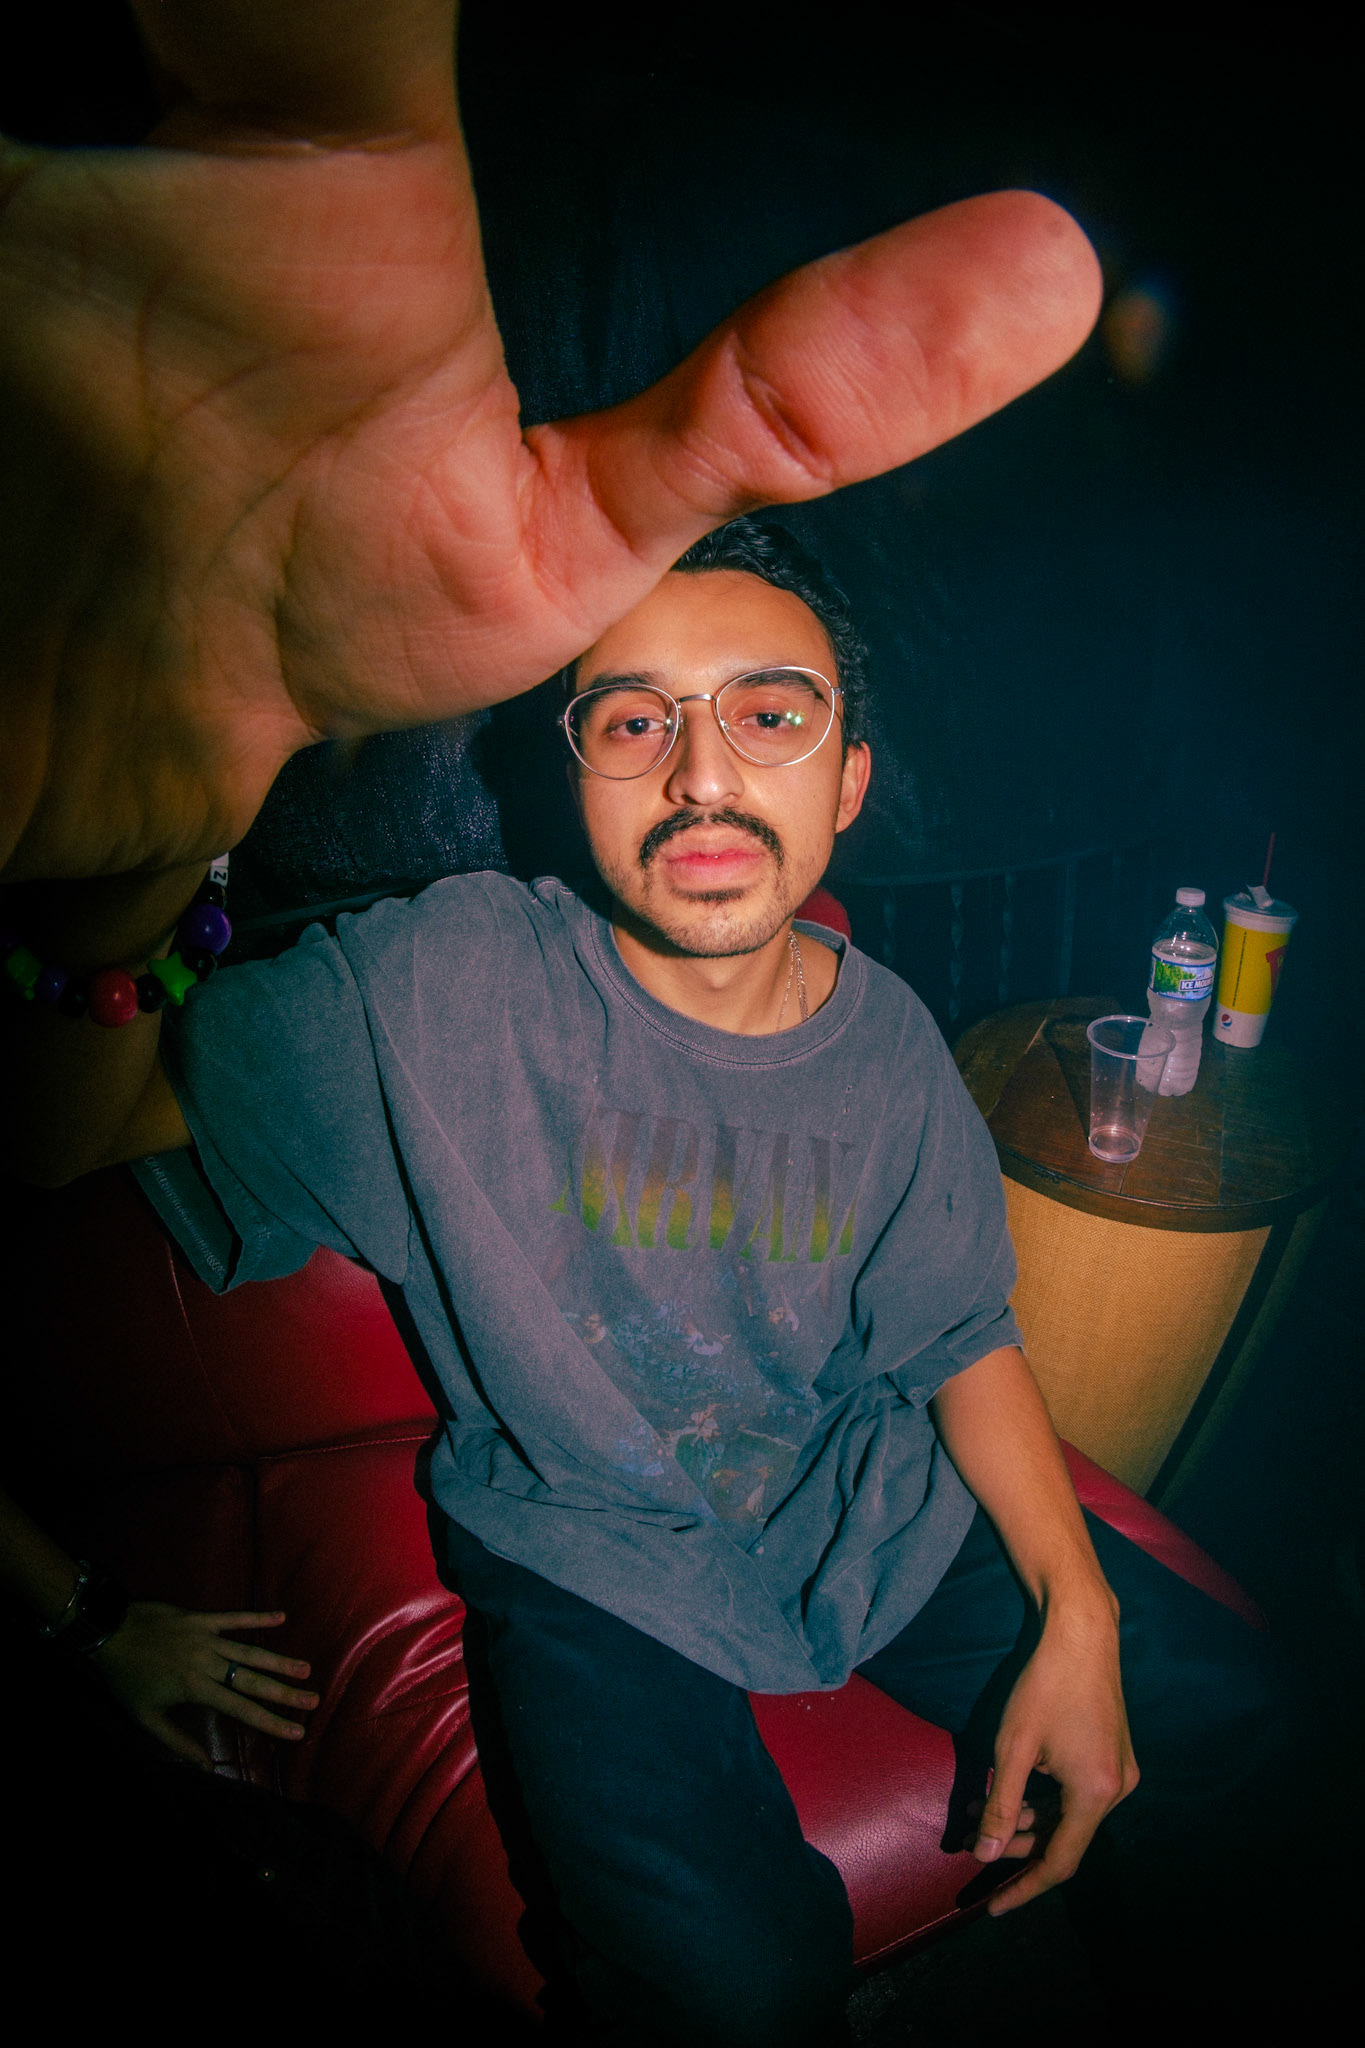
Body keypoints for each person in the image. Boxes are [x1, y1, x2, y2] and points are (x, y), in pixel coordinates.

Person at [0, 5, 1295, 2043]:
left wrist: (1069, 1606)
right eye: (633, 721)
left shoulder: (886, 1037)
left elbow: (958, 1337)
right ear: (572, 776)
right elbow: (73, 1136)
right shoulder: (437, 983)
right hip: (589, 1561)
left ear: (846, 783)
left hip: (874, 1515)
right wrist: (123, 880)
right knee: (719, 1986)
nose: (701, 771)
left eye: (765, 715)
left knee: (1260, 1750)